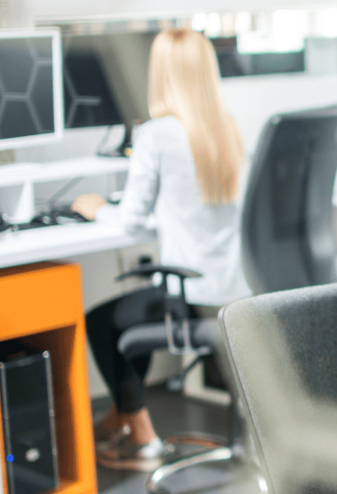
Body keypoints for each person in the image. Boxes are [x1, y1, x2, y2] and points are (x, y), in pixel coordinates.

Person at [72, 29, 251, 471]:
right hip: (232, 294)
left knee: (101, 322)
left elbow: (130, 220)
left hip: (187, 298)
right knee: (137, 311)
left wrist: (96, 210)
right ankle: (122, 415)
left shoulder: (156, 135)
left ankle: (143, 438)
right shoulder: (226, 128)